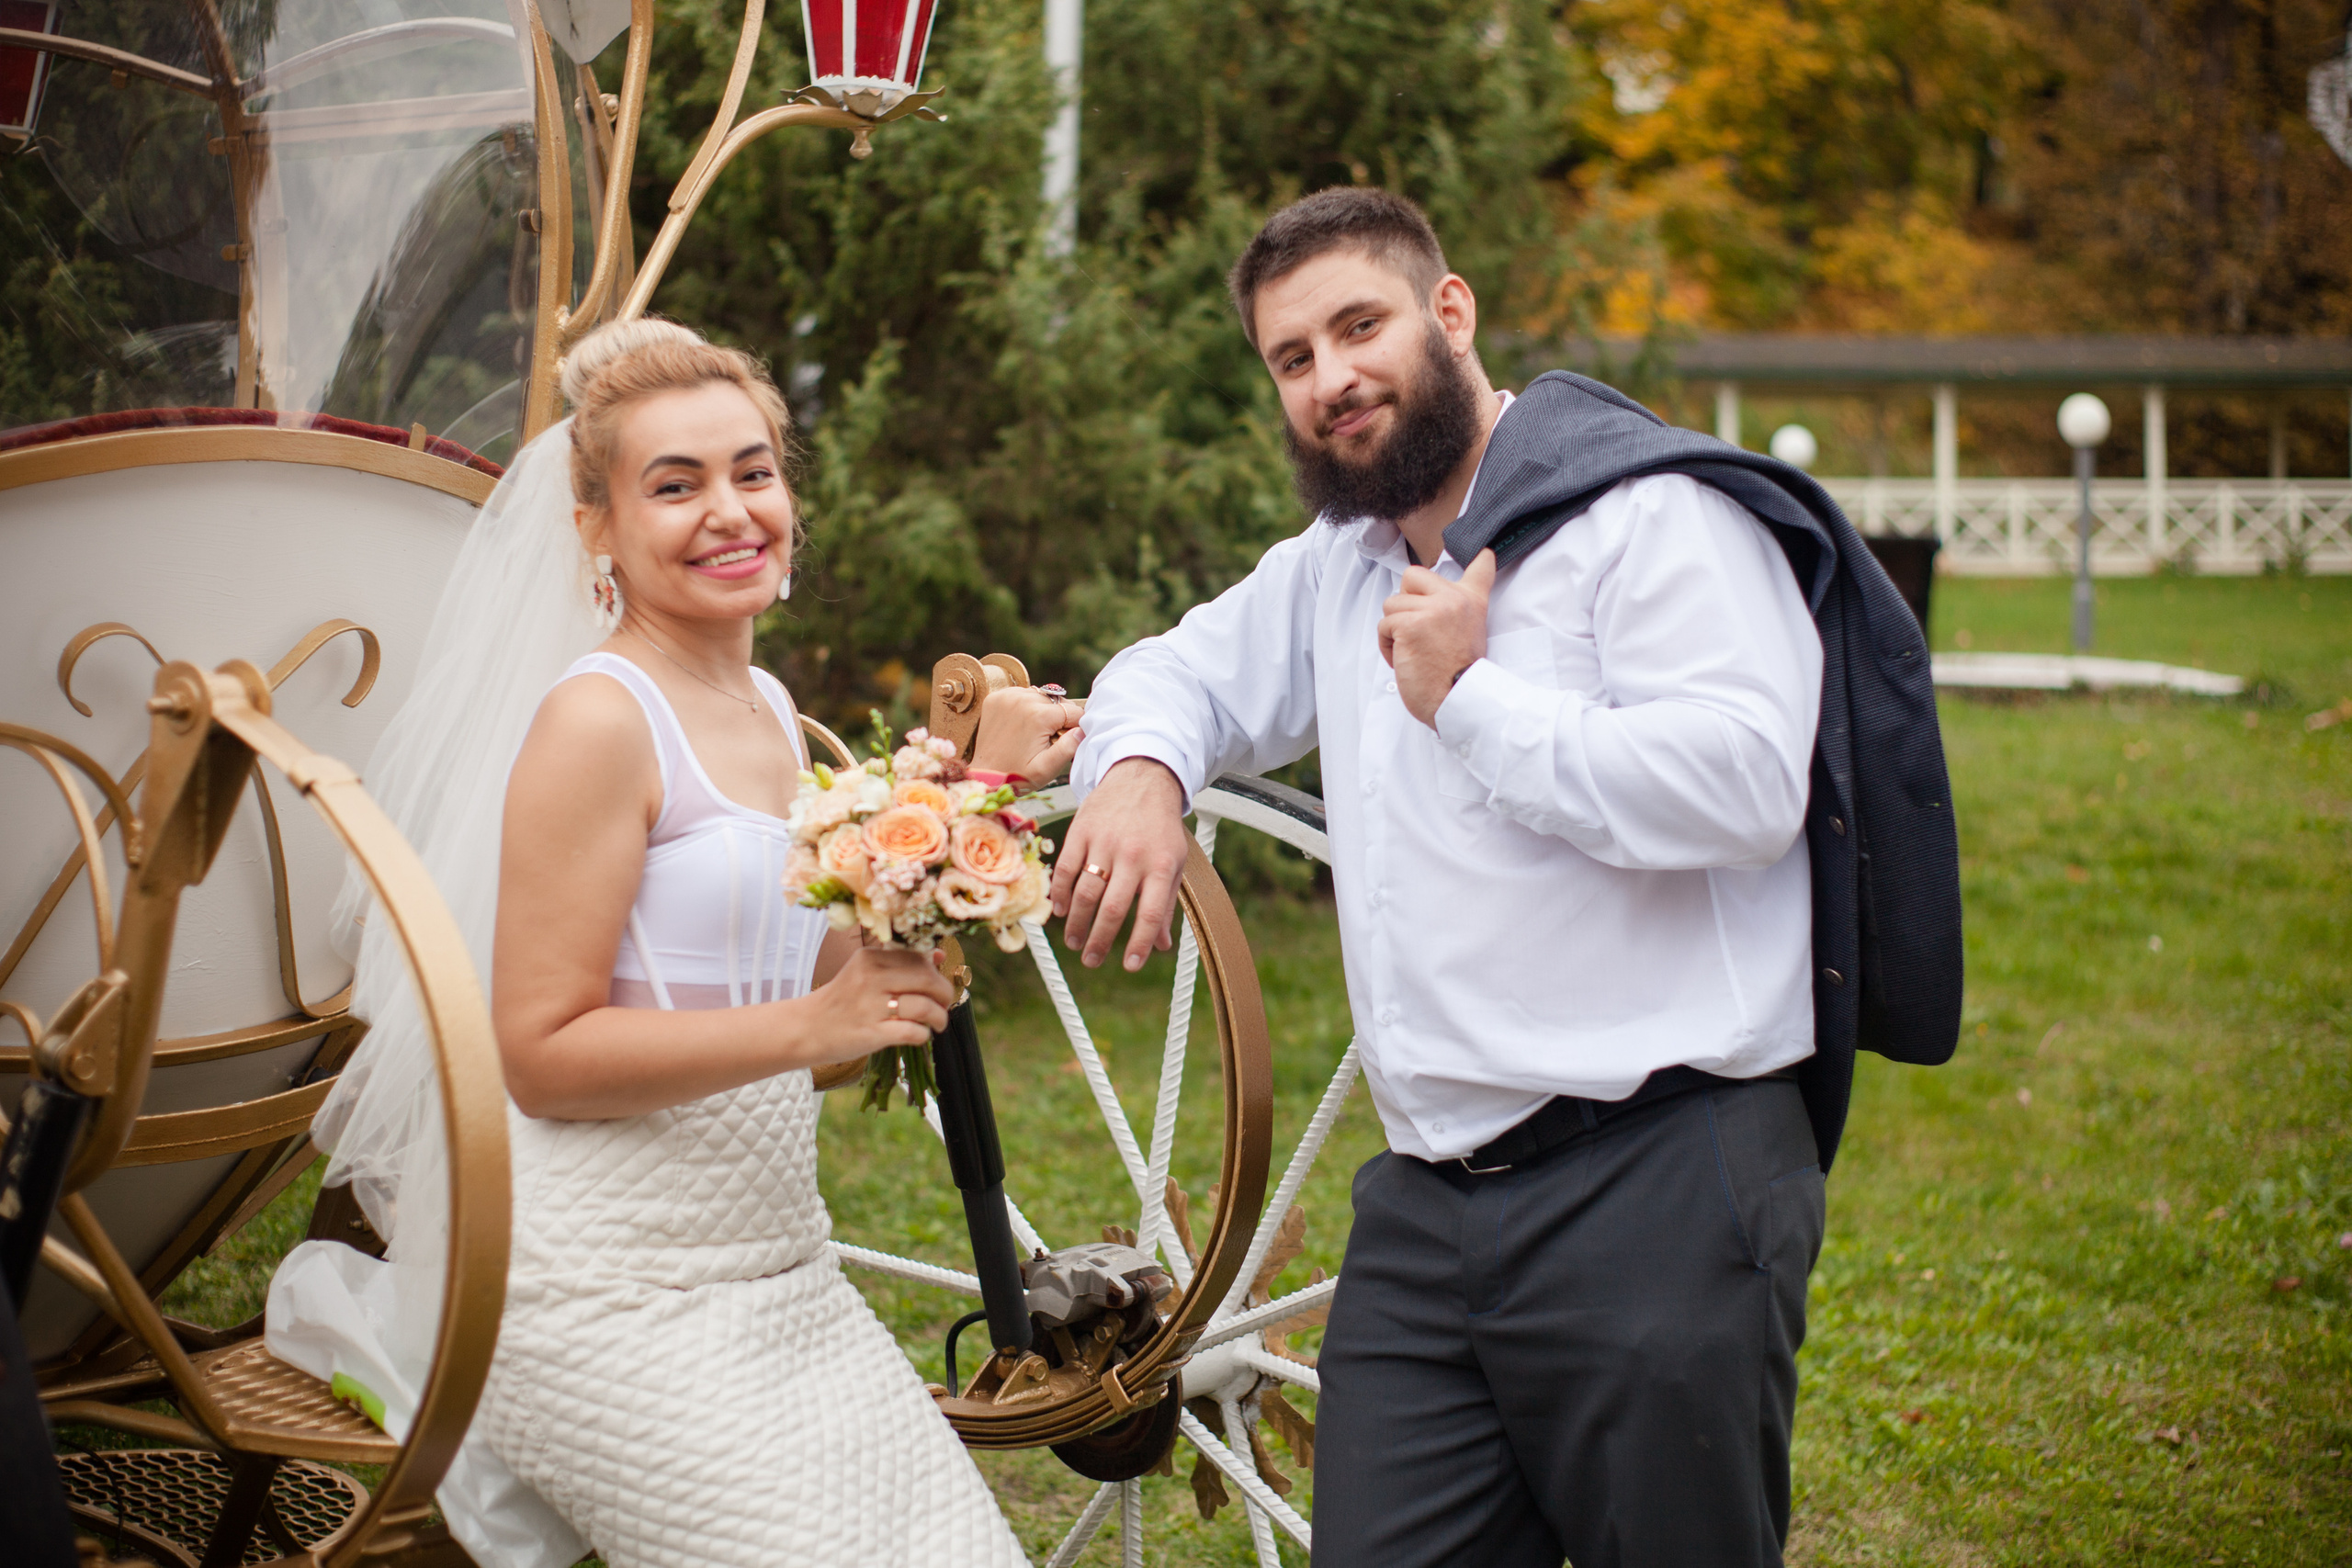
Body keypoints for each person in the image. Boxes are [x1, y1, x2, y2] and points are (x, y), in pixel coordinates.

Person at [1053, 188, 1955, 1567]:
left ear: (1450, 312)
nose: (1332, 380)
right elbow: (1182, 670)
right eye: (1292, 360)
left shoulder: (1648, 514)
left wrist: (1468, 700)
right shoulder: (1340, 569)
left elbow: (1747, 785)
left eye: (1360, 327)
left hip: (1658, 1171)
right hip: (1425, 1208)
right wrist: (1141, 771)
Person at [266, 319, 1079, 1568]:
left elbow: (840, 1004)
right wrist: (814, 1029)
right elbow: (538, 1054)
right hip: (596, 1287)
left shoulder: (758, 706)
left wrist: (977, 802)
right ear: (595, 525)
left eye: (753, 472)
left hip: (770, 1260)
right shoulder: (601, 723)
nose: (731, 511)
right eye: (676, 484)